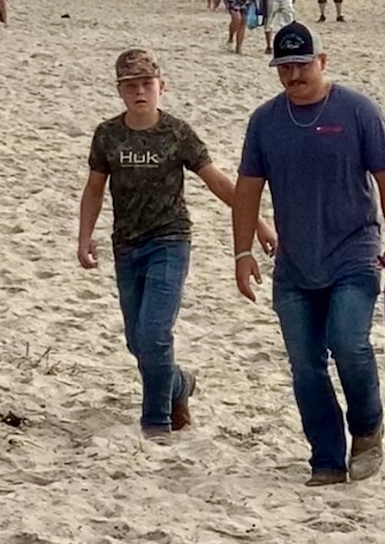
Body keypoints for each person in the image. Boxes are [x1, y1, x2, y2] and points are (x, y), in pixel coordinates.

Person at [232, 22, 385, 486]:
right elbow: (248, 189)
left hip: (355, 252)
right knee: (306, 364)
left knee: (348, 343)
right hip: (294, 264)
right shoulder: (265, 121)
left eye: (301, 64)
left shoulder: (357, 111)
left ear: (322, 62)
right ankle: (326, 457)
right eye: (284, 67)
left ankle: (368, 430)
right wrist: (242, 251)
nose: (293, 75)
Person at [78, 49, 275, 441]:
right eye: (130, 86)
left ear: (161, 87)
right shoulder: (107, 135)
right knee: (137, 341)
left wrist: (259, 225)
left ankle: (156, 422)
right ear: (120, 91)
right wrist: (85, 236)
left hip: (170, 241)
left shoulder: (177, 133)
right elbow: (95, 188)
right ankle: (180, 385)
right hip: (126, 245)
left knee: (154, 334)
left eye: (146, 84)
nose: (139, 92)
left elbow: (217, 181)